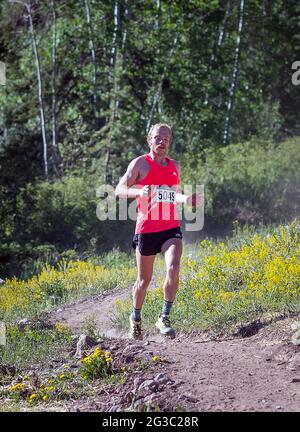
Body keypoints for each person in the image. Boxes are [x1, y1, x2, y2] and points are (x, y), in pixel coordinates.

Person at [115, 123, 202, 339]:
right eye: (157, 138)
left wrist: (188, 200)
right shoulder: (140, 164)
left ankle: (164, 317)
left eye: (166, 139)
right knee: (143, 281)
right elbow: (118, 190)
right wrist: (138, 191)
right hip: (146, 230)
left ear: (170, 142)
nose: (161, 142)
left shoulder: (175, 167)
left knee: (173, 267)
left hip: (170, 227)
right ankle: (135, 318)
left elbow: (173, 195)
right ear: (149, 140)